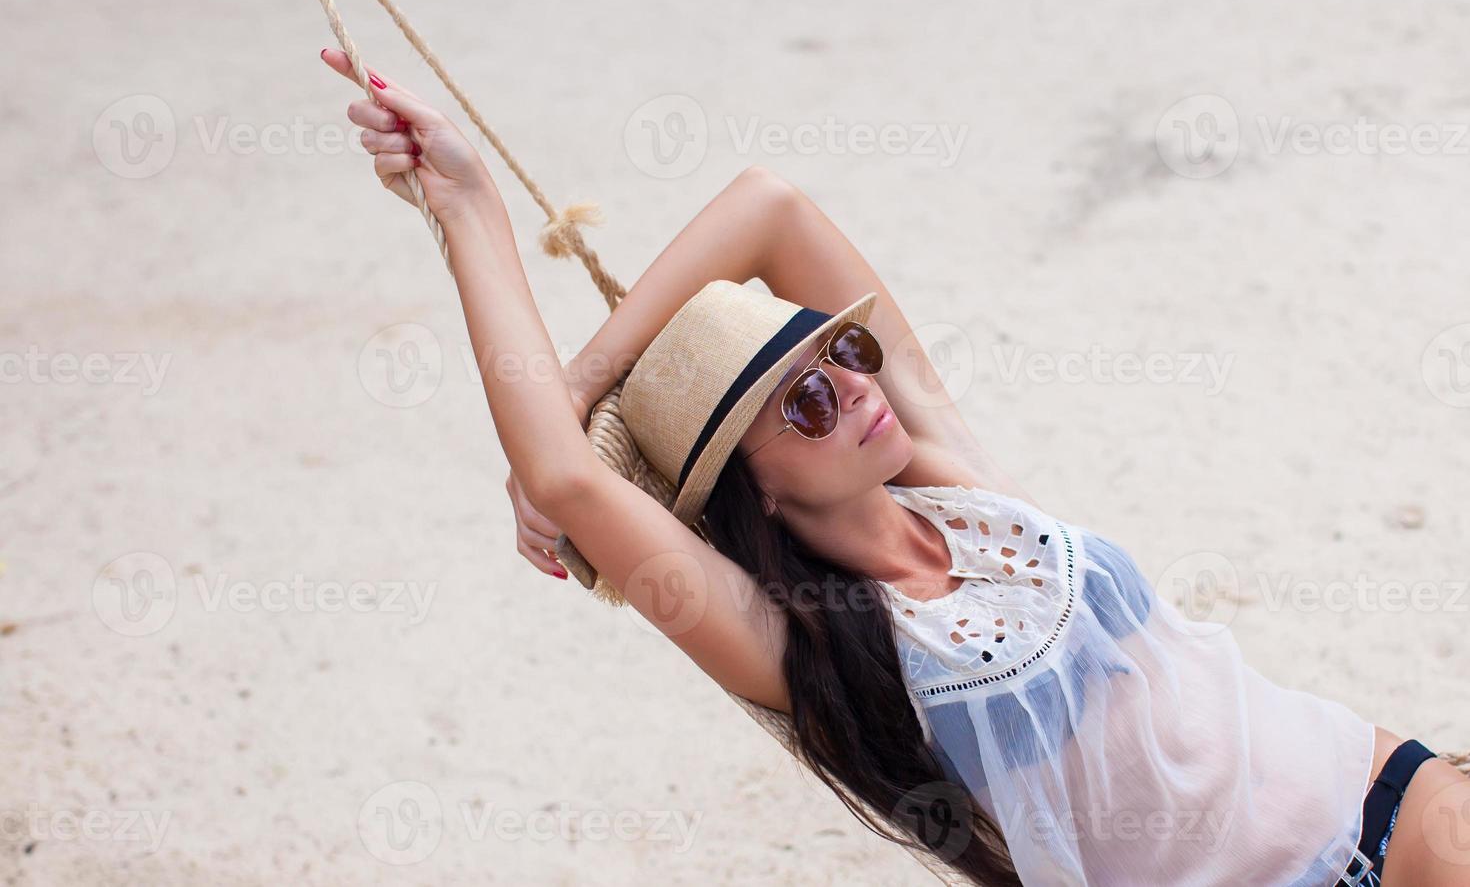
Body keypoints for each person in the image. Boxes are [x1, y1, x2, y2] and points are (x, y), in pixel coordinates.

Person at [318, 48, 1470, 885]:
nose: (862, 386)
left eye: (846, 351)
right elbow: (568, 483)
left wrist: (582, 381)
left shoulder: (964, 493)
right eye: (808, 398)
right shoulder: (810, 645)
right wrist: (467, 201)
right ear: (753, 487)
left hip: (1388, 796)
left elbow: (770, 208)